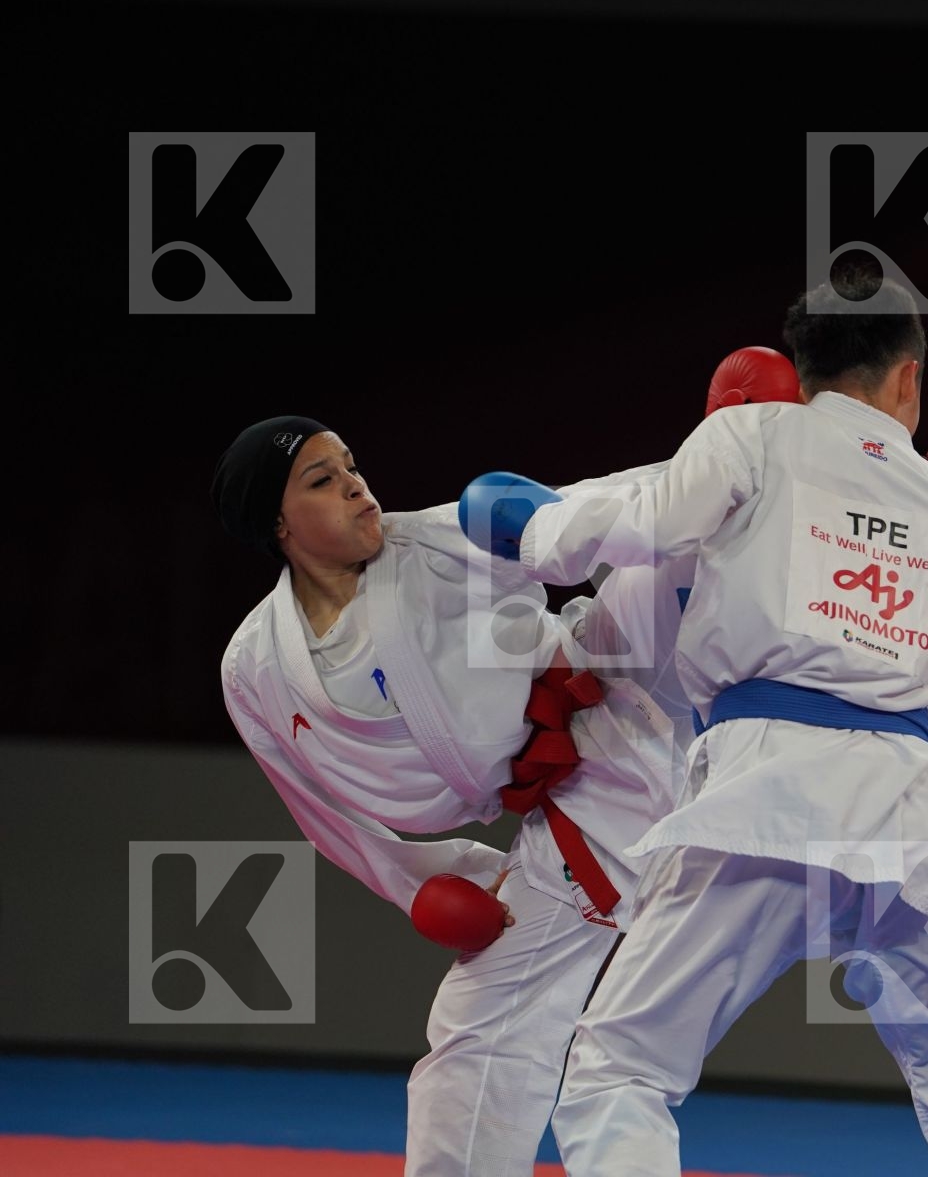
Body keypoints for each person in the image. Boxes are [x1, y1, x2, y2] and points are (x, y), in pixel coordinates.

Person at [461, 276, 928, 1176]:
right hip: (903, 818)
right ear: (908, 379)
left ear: (803, 366)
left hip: (766, 798)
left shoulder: (753, 432)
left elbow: (641, 527)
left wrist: (526, 526)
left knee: (617, 1070)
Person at [211, 348, 794, 1175]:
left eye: (352, 466)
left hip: (605, 690)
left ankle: (799, 466)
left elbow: (587, 510)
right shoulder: (256, 668)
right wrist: (425, 879)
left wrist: (716, 460)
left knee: (664, 549)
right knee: (477, 1030)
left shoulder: (432, 539)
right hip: (558, 807)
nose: (354, 484)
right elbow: (321, 814)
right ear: (277, 524)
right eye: (320, 479)